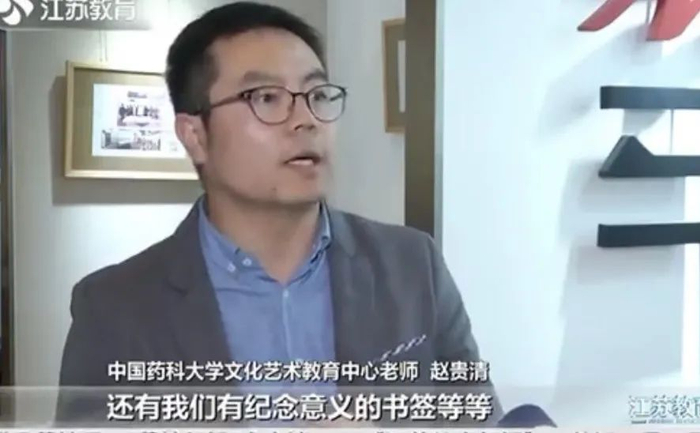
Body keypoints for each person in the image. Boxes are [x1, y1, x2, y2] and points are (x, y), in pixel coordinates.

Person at [56, 1, 501, 427]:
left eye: (317, 95)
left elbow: (481, 420)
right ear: (195, 135)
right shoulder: (114, 309)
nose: (306, 119)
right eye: (267, 98)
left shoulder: (412, 265)